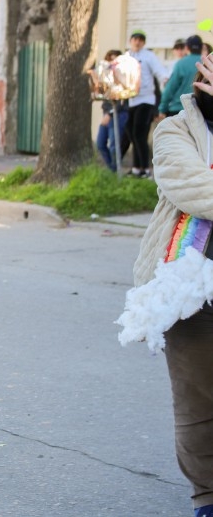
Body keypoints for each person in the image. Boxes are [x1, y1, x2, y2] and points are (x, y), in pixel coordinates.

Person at [126, 54, 213, 517]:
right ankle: (207, 496)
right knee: (198, 399)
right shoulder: (174, 131)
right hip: (189, 289)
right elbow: (194, 189)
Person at [126, 29, 170, 178]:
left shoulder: (149, 56)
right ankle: (136, 167)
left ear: (143, 42)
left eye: (140, 39)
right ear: (130, 41)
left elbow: (159, 70)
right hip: (130, 100)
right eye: (135, 39)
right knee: (132, 134)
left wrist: (165, 78)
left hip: (146, 100)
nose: (137, 42)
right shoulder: (126, 57)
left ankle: (146, 168)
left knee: (139, 135)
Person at [95, 49, 129, 172]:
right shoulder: (106, 76)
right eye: (110, 59)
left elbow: (123, 99)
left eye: (115, 59)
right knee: (100, 144)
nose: (112, 62)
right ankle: (112, 170)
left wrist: (110, 114)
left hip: (119, 114)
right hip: (107, 113)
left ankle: (116, 173)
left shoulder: (124, 75)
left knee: (114, 146)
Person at [160, 35, 204, 118]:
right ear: (201, 47)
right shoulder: (207, 63)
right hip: (200, 112)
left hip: (179, 109)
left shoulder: (180, 64)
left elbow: (170, 88)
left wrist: (162, 108)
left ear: (187, 48)